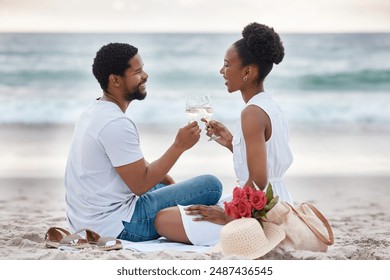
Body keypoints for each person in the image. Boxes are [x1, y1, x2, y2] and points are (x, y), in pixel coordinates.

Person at [64, 42, 222, 242]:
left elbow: (126, 164)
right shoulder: (116, 123)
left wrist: (164, 178)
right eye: (138, 72)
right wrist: (179, 146)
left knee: (162, 186)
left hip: (83, 221)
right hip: (118, 226)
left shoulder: (93, 111)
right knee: (210, 186)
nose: (145, 76)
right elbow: (139, 186)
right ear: (115, 80)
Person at [154, 22, 293, 245]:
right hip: (277, 203)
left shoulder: (252, 113)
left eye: (227, 65)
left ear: (247, 72)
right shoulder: (270, 106)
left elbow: (259, 181)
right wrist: (232, 143)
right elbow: (266, 160)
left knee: (162, 219)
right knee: (176, 212)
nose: (222, 71)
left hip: (261, 212)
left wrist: (228, 216)